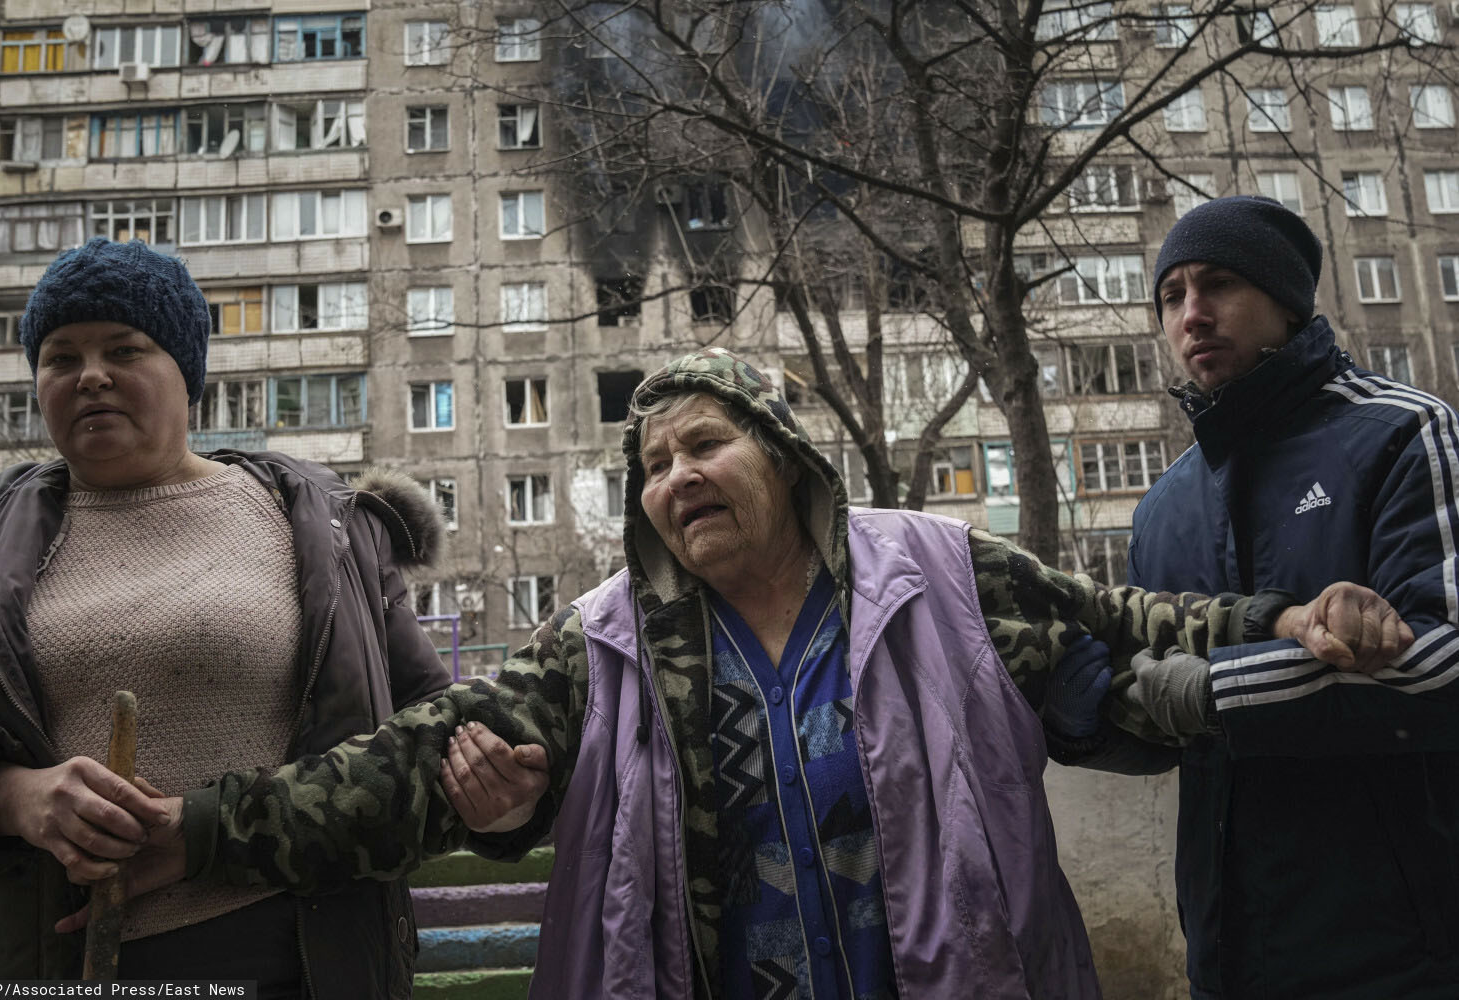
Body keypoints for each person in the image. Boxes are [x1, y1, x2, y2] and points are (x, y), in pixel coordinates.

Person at [98, 346, 1412, 1000]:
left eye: (704, 444)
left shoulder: (936, 573)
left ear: (783, 454)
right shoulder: (603, 638)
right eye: (652, 465)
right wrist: (202, 830)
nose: (675, 478)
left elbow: (1122, 626)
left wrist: (1285, 614)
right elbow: (399, 775)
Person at [0, 238, 544, 994]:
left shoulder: (324, 528)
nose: (91, 375)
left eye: (124, 349)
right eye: (60, 357)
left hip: (301, 956)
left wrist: (502, 801)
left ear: (187, 372)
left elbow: (434, 734)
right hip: (44, 963)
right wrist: (9, 795)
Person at [1117, 195, 1459, 998]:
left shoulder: (1404, 432)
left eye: (1219, 284)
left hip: (1399, 954)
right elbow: (1148, 694)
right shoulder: (1161, 509)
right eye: (1172, 296)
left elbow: (1447, 659)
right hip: (1224, 958)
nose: (1193, 315)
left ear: (1286, 300)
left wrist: (1217, 693)